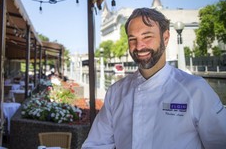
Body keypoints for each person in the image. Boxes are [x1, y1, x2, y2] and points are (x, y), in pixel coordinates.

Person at [82, 8, 226, 149]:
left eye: (147, 36)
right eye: (133, 39)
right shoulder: (115, 92)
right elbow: (96, 144)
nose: (139, 46)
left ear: (165, 38)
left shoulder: (195, 89)